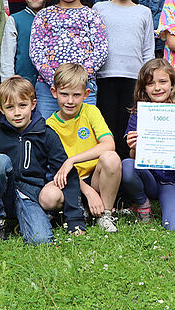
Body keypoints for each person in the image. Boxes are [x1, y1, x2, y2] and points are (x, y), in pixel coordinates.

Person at [0, 76, 84, 244]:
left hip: (30, 194)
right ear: (1, 109)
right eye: (10, 107)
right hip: (2, 194)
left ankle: (25, 220)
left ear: (33, 104)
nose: (17, 113)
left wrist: (74, 219)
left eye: (22, 105)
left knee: (41, 241)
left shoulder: (47, 134)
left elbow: (67, 175)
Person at [120, 59, 175, 232]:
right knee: (127, 166)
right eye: (150, 83)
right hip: (148, 179)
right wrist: (134, 146)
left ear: (172, 84)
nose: (157, 88)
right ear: (144, 88)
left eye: (163, 82)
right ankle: (142, 203)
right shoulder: (138, 115)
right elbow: (133, 157)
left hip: (173, 181)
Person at [47, 63, 121, 233]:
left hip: (95, 177)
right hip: (69, 183)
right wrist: (87, 191)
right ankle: (75, 209)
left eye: (76, 95)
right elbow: (59, 169)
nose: (70, 101)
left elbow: (109, 144)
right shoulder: (49, 125)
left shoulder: (91, 111)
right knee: (48, 198)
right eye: (64, 94)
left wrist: (72, 160)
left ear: (86, 94)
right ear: (54, 92)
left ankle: (105, 214)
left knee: (111, 158)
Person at [29, 0, 107, 118]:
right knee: (47, 132)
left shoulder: (92, 15)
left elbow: (101, 51)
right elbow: (36, 52)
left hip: (83, 88)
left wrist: (78, 79)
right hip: (49, 89)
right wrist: (56, 81)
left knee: (83, 134)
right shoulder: (44, 15)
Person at [93, 0, 154, 159]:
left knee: (127, 130)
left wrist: (147, 80)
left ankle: (124, 174)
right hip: (105, 76)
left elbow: (148, 50)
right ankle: (105, 170)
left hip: (134, 79)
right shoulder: (99, 8)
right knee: (107, 127)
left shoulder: (143, 12)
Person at [0, 0, 51, 85]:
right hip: (22, 83)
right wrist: (8, 83)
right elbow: (7, 56)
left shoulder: (54, 17)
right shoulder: (15, 20)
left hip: (49, 83)